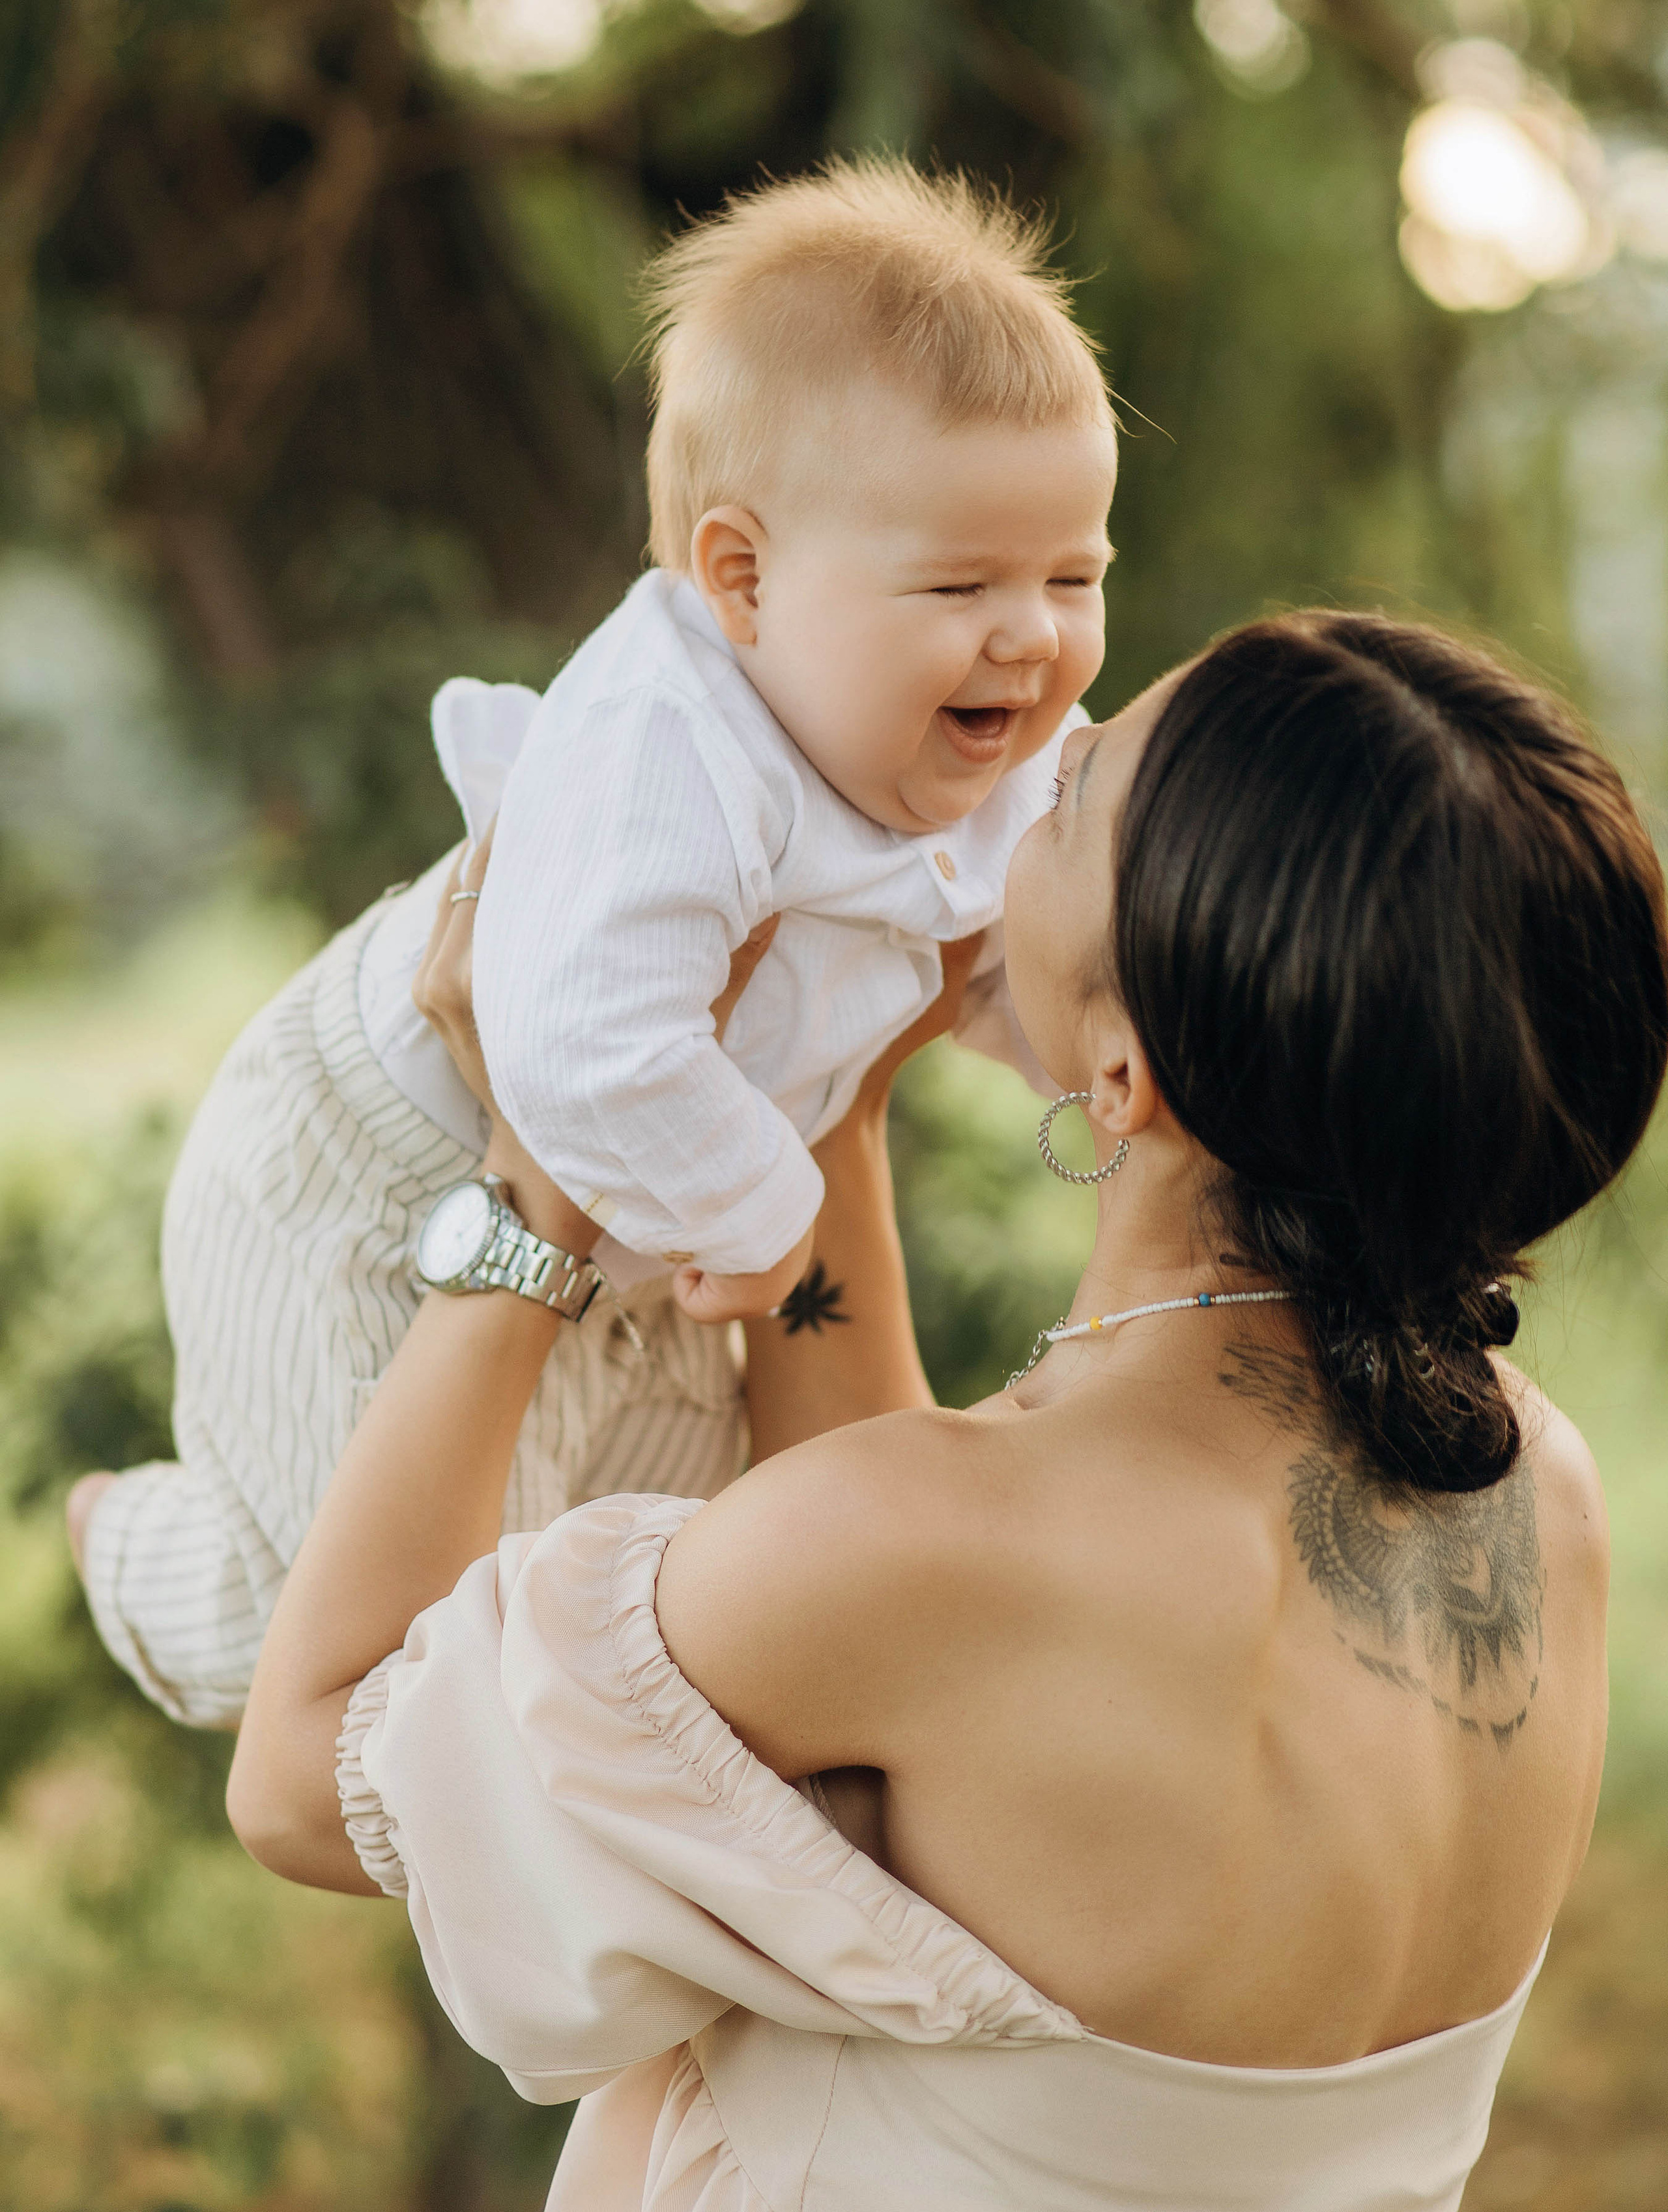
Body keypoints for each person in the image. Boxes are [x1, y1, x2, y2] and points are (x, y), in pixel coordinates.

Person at [229, 609, 1668, 2211]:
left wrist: (537, 1177)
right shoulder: (1543, 1495)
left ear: (1120, 1078)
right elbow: (937, 1643)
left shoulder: (938, 1551)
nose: (1034, 759)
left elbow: (304, 1776)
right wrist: (824, 1103)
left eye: (1076, 789)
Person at [69, 158, 1115, 1728]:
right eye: (960, 582)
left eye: (1074, 575)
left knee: (638, 1592)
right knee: (368, 1649)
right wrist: (762, 1212)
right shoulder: (668, 750)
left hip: (655, 1216)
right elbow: (577, 1051)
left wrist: (1104, 1071)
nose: (1031, 637)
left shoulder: (979, 732)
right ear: (740, 578)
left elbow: (1023, 963)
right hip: (378, 1176)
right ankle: (142, 1547)